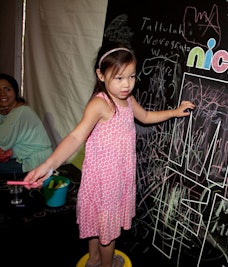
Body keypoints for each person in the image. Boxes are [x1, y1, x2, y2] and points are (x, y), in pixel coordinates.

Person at [23, 41, 195, 267]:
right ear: (101, 75)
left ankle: (94, 258)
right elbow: (75, 137)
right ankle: (106, 263)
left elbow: (145, 117)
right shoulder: (100, 104)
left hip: (118, 175)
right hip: (106, 179)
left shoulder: (127, 99)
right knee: (108, 230)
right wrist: (47, 165)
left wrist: (175, 111)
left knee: (98, 222)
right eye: (119, 77)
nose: (127, 85)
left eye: (132, 77)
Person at [0, 73, 53, 175]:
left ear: (15, 91)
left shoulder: (20, 112)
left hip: (34, 162)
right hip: (23, 158)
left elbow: (2, 140)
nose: (2, 94)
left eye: (7, 89)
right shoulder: (9, 110)